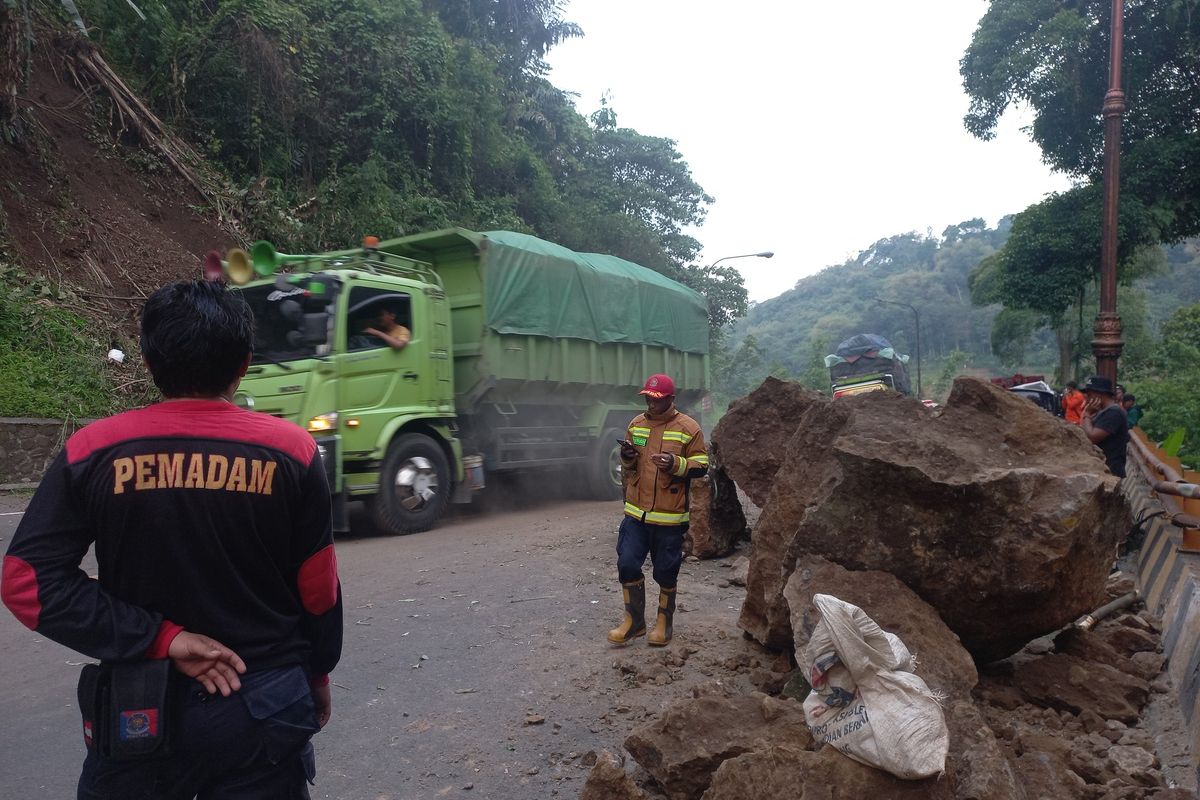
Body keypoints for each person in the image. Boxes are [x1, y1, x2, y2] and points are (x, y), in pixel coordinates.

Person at [1, 280, 343, 798]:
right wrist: (317, 675)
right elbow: (317, 589)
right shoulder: (291, 451)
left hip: (140, 709)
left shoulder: (93, 450)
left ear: (147, 361)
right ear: (244, 363)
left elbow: (26, 581)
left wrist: (161, 639)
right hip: (264, 703)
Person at [608, 374, 708, 647]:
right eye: (647, 399)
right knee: (627, 563)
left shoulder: (689, 428)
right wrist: (628, 457)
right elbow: (630, 465)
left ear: (670, 400)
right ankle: (634, 622)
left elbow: (701, 465)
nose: (651, 405)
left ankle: (664, 623)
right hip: (636, 514)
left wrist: (675, 463)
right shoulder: (636, 425)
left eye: (657, 400)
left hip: (669, 517)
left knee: (666, 571)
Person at [1080, 375, 1130, 478]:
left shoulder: (1114, 412)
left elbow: (1092, 437)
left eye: (1089, 395)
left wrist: (1087, 414)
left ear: (1100, 394)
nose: (1087, 398)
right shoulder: (1102, 411)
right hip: (1102, 468)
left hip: (1110, 470)